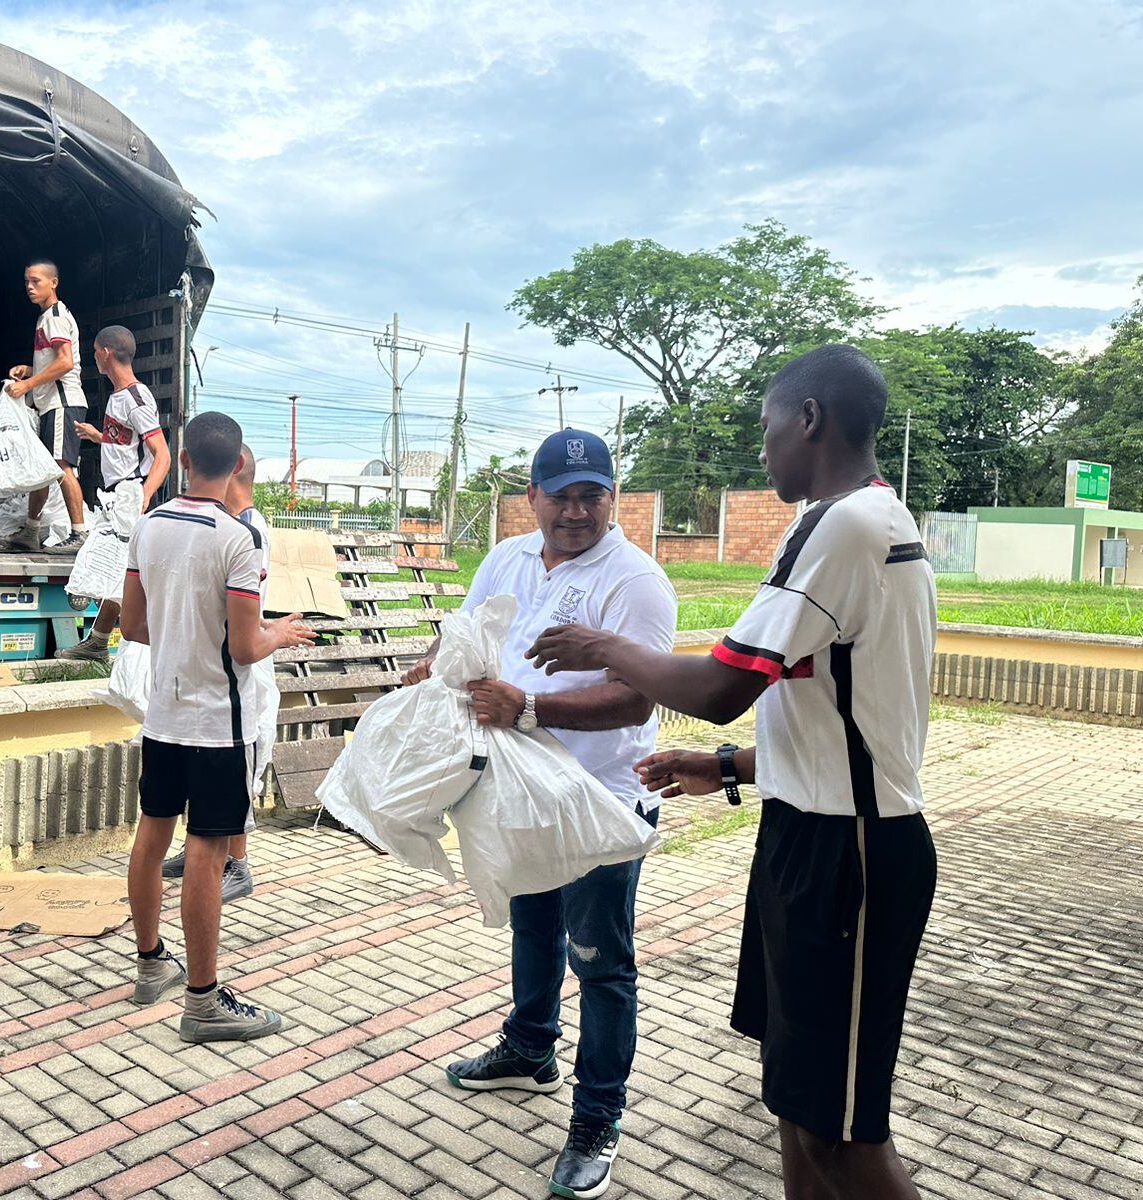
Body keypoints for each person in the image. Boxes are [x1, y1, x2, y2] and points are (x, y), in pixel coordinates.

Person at [528, 346, 937, 1200]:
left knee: (846, 1132)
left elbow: (720, 686)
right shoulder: (869, 522)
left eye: (767, 428)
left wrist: (606, 648)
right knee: (798, 1104)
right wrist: (730, 766)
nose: (763, 449)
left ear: (811, 420)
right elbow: (846, 716)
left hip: (848, 858)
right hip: (814, 835)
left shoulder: (845, 525)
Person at [400, 428, 676, 1200]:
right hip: (519, 793)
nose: (577, 511)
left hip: (599, 805)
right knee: (533, 927)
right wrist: (438, 665)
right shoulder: (509, 556)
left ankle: (598, 1117)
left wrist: (528, 708)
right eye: (562, 495)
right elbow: (470, 634)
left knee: (600, 961)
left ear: (612, 498)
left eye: (593, 495)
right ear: (533, 498)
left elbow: (635, 697)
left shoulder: (636, 581)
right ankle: (528, 1048)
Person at [121, 412, 313, 1041]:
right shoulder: (237, 540)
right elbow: (245, 645)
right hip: (217, 724)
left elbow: (132, 627)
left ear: (180, 459)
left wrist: (181, 631)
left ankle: (152, 965)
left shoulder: (147, 529)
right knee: (206, 852)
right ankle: (202, 1002)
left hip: (164, 715)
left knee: (152, 839)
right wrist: (280, 632)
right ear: (236, 468)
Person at [159, 444, 269, 901]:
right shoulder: (223, 525)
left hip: (240, 670)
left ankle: (236, 863)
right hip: (207, 669)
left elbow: (243, 629)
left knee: (237, 774)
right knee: (200, 772)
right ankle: (202, 849)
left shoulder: (246, 530)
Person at [58, 324, 172, 660]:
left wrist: (143, 497)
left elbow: (161, 454)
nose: (94, 356)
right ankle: (99, 642)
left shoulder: (135, 399)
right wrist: (99, 436)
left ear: (106, 352)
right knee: (118, 570)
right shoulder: (118, 397)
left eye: (95, 351)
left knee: (110, 566)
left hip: (127, 495)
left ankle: (138, 644)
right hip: (117, 496)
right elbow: (128, 442)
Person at [6, 261, 86, 551]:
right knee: (44, 466)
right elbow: (55, 361)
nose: (30, 286)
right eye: (27, 281)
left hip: (62, 403)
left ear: (54, 283)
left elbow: (65, 362)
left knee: (62, 465)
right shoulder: (46, 318)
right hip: (50, 403)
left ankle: (79, 534)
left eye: (36, 281)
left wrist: (28, 385)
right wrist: (30, 369)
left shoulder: (54, 316)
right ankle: (31, 531)